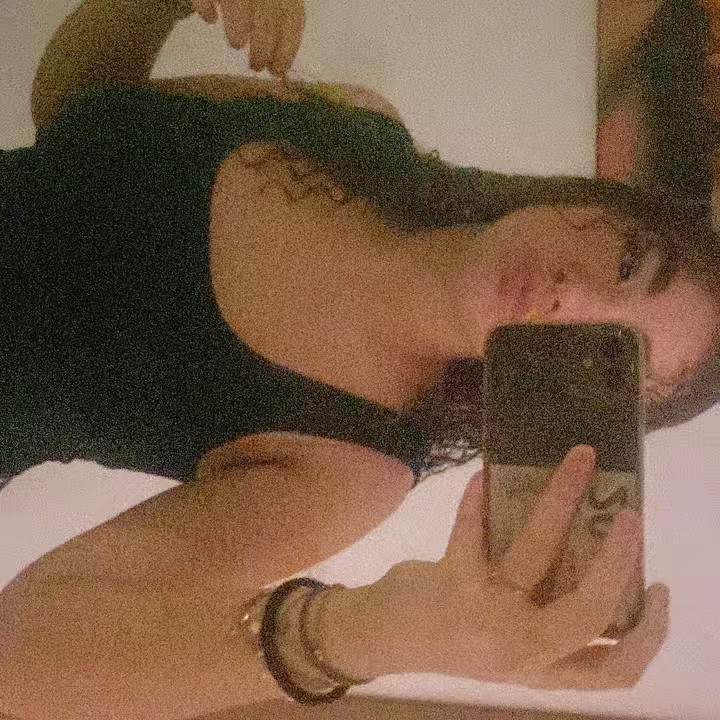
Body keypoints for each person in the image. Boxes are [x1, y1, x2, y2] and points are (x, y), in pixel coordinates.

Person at [0, 0, 717, 717]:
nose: (574, 298)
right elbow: (74, 118)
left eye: (611, 352)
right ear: (603, 205)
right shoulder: (359, 126)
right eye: (629, 261)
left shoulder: (350, 462)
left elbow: (18, 662)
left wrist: (373, 633)